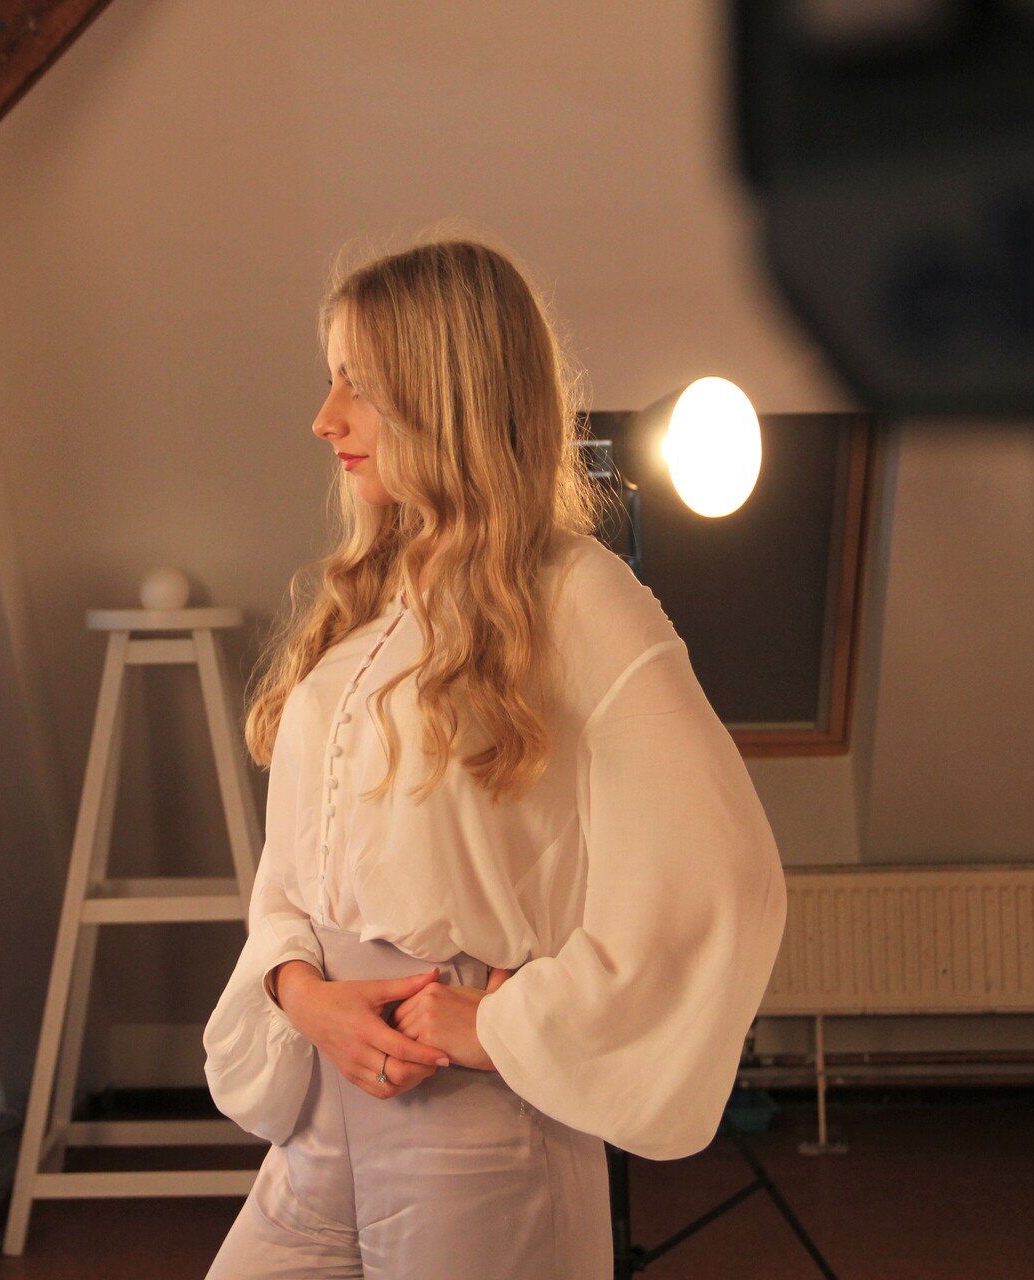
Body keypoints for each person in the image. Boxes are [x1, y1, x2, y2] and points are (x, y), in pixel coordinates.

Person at [202, 238, 788, 1279]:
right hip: (321, 1120)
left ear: (446, 394)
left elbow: (723, 872)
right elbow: (293, 871)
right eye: (331, 378)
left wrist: (504, 1023)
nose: (325, 417)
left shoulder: (577, 596)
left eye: (359, 383)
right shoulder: (370, 603)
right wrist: (298, 989)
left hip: (476, 1137)